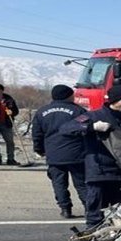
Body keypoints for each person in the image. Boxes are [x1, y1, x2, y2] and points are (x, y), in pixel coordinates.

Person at [70, 84, 121, 225]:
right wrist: (91, 127)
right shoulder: (94, 116)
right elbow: (68, 128)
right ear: (114, 100)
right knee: (95, 216)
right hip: (99, 173)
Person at [32, 84, 89, 219]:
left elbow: (37, 134)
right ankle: (89, 208)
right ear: (69, 96)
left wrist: (39, 149)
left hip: (54, 153)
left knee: (59, 183)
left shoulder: (42, 112)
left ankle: (65, 208)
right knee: (81, 183)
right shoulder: (79, 111)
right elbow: (86, 130)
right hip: (76, 154)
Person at [0, 83, 20, 166]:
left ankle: (11, 159)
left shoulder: (9, 99)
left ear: (1, 90)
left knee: (10, 142)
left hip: (6, 123)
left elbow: (16, 111)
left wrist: (11, 112)